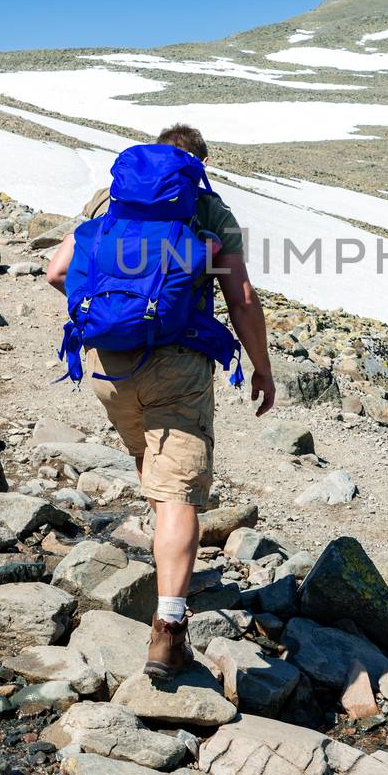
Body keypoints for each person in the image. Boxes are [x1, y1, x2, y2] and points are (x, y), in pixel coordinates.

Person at [45, 123, 275, 677]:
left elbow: (57, 270)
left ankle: (166, 567)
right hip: (178, 364)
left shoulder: (109, 198)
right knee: (178, 495)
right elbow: (239, 297)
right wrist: (261, 366)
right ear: (197, 164)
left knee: (153, 470)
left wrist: (111, 316)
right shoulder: (208, 210)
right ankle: (169, 629)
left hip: (104, 364)